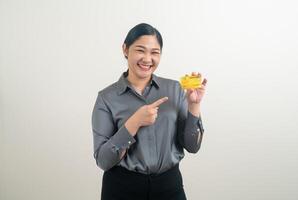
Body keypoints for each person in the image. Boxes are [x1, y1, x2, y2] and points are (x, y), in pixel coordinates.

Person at [92, 23, 207, 200]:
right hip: (122, 189)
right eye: (140, 50)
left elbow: (193, 146)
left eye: (154, 52)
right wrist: (134, 122)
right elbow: (103, 160)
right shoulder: (106, 98)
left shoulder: (175, 89)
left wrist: (194, 106)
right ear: (125, 49)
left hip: (169, 187)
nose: (147, 59)